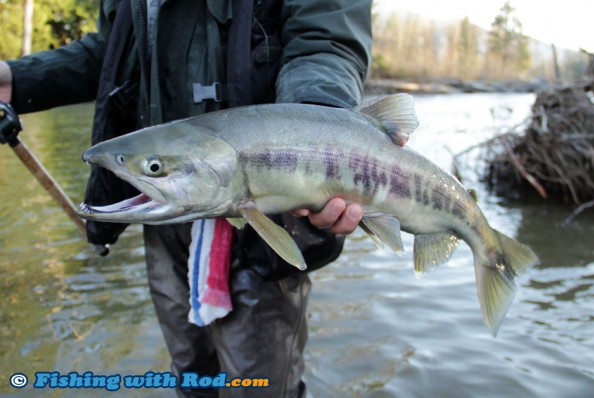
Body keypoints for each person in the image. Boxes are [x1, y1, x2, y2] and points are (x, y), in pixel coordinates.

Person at [0, 1, 372, 396]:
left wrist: (318, 132)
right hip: (167, 211)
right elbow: (111, 51)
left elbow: (325, 42)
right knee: (191, 379)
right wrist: (17, 78)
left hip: (266, 222)